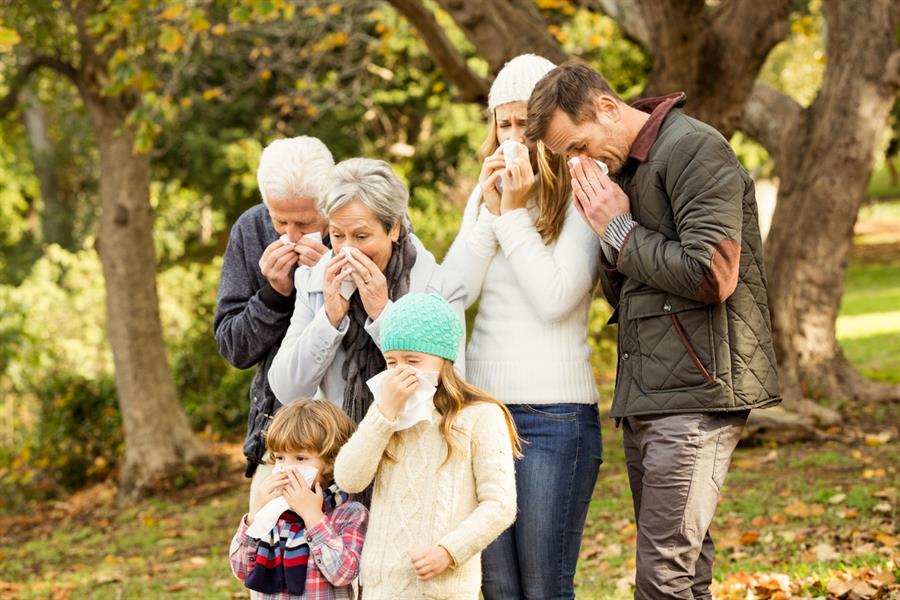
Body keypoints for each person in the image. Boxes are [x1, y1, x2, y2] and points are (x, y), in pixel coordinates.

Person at [525, 61, 782, 600]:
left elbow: (712, 274)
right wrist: (608, 233)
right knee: (685, 573)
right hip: (648, 393)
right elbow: (628, 294)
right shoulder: (623, 171)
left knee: (662, 577)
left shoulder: (693, 149)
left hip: (698, 391)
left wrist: (618, 229)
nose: (578, 163)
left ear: (607, 107)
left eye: (578, 146)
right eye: (567, 156)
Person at [442, 54, 603, 600]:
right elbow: (452, 294)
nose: (514, 138)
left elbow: (556, 298)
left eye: (524, 124)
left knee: (542, 586)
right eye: (503, 124)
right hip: (484, 412)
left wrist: (512, 215)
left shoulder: (584, 188)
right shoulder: (486, 196)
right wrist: (490, 214)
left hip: (555, 414)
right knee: (498, 588)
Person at [332, 293, 519, 600]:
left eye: (413, 361)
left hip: (440, 589)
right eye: (392, 362)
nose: (401, 371)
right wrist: (383, 415)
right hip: (381, 590)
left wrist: (449, 551)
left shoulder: (481, 416)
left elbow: (500, 505)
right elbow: (349, 479)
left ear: (443, 359)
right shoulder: (387, 413)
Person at [267, 158, 466, 427]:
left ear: (394, 228)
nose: (348, 250)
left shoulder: (441, 286)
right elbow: (287, 390)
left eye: (361, 236)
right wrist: (329, 319)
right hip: (340, 445)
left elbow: (452, 393)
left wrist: (384, 314)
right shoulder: (313, 281)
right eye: (338, 236)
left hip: (411, 444)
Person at [214, 136, 334, 481]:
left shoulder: (364, 226)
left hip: (354, 431)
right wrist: (274, 295)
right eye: (280, 222)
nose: (291, 236)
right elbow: (234, 348)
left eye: (305, 224)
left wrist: (335, 280)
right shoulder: (251, 229)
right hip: (280, 440)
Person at [229, 399, 367, 599]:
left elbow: (343, 574)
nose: (287, 468)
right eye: (280, 458)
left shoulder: (349, 513)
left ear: (331, 461)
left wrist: (313, 517)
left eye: (300, 458)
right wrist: (254, 517)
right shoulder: (273, 514)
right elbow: (242, 571)